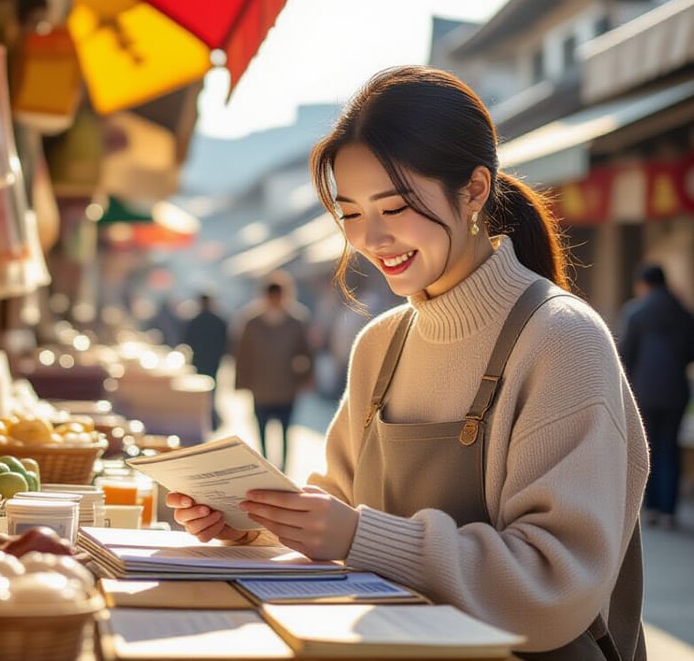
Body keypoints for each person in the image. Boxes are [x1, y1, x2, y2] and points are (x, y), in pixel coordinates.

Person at [168, 66, 649, 660]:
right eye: (349, 214)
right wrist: (255, 522)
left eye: (393, 208)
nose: (370, 239)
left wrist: (356, 535)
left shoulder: (561, 339)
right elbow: (339, 510)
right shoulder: (380, 344)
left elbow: (554, 584)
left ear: (474, 190)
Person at [618, 263, 694, 531]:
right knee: (670, 448)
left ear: (643, 284)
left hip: (644, 391)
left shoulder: (636, 313)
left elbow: (625, 353)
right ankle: (669, 510)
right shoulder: (684, 313)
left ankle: (650, 507)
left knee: (647, 448)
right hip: (676, 391)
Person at [232, 276, 314, 471]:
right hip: (260, 388)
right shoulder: (251, 322)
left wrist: (306, 378)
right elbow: (242, 354)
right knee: (261, 430)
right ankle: (266, 466)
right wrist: (240, 382)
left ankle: (284, 468)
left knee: (286, 431)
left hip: (286, 386)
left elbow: (307, 352)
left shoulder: (296, 321)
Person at [182, 292, 230, 430]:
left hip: (201, 360)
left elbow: (187, 340)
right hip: (212, 360)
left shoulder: (195, 320)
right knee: (212, 391)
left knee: (203, 392)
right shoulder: (217, 320)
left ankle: (208, 418)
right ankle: (210, 419)